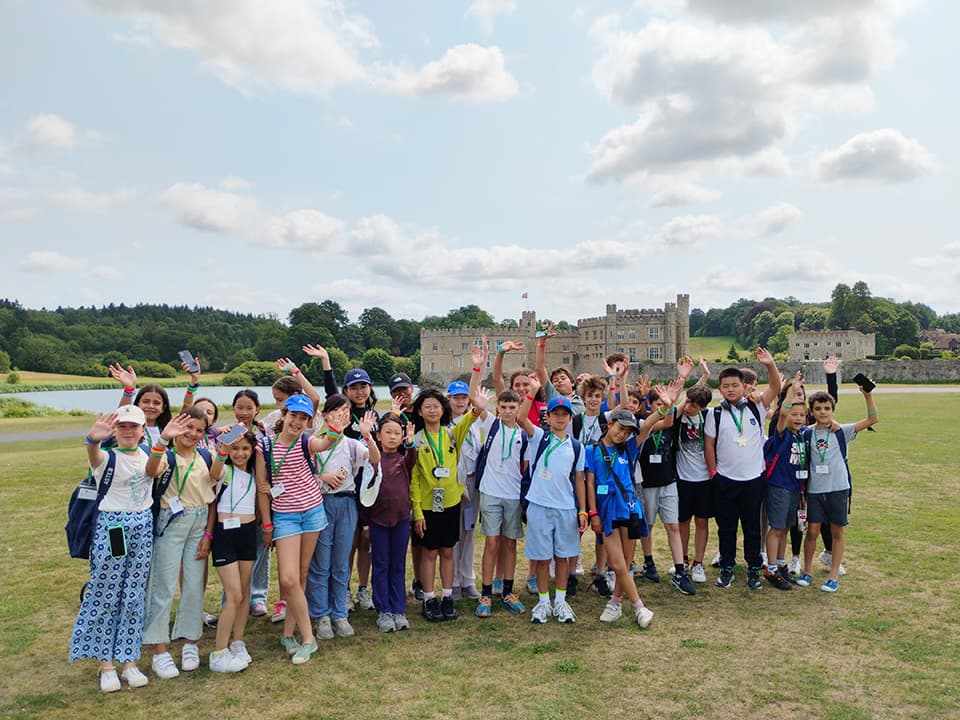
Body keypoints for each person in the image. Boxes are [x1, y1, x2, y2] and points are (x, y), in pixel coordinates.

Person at [70, 407, 155, 692]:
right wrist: (92, 441)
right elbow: (95, 455)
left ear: (143, 430)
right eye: (123, 427)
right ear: (115, 431)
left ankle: (129, 661)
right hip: (114, 528)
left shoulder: (147, 454)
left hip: (142, 525)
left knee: (133, 593)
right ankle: (106, 664)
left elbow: (156, 470)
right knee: (107, 591)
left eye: (134, 427)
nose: (129, 431)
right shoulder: (107, 457)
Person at [255, 394, 342, 664]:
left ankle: (289, 633)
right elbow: (262, 488)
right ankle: (309, 638)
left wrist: (335, 428)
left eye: (304, 418)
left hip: (313, 513)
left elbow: (324, 442)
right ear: (283, 415)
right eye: (293, 416)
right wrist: (267, 524)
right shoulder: (265, 446)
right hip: (285, 517)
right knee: (288, 580)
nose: (297, 422)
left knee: (300, 577)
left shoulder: (306, 441)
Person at [142, 407, 215, 679]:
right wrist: (163, 439)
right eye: (188, 428)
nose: (193, 434)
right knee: (163, 585)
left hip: (199, 522)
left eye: (199, 430)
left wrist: (208, 534)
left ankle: (190, 642)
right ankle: (160, 650)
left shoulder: (205, 456)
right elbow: (151, 470)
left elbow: (213, 494)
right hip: (171, 524)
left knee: (194, 584)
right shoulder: (167, 456)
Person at [410, 365, 486, 622]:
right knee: (429, 552)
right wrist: (418, 512)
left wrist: (479, 404)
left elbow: (471, 416)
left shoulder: (452, 434)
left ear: (444, 409)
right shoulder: (417, 440)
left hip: (452, 502)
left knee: (447, 551)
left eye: (436, 405)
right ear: (420, 411)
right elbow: (415, 479)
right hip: (429, 506)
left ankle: (447, 596)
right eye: (427, 406)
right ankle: (429, 598)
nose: (432, 409)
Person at [703, 348, 782, 590]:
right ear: (720, 389)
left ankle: (753, 568)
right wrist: (714, 473)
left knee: (752, 527)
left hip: (753, 479)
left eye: (734, 385)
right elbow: (709, 444)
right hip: (725, 479)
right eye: (725, 385)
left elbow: (776, 389)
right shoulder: (714, 414)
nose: (730, 389)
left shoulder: (755, 407)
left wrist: (770, 365)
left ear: (743, 386)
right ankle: (727, 567)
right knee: (726, 527)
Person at [585, 404, 669, 627]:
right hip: (607, 510)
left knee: (626, 561)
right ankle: (639, 606)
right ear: (610, 423)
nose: (623, 434)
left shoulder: (629, 447)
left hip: (630, 508)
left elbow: (649, 424)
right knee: (616, 562)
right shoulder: (592, 451)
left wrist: (665, 407)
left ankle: (615, 603)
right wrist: (593, 513)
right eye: (620, 428)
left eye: (628, 432)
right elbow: (590, 483)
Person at [306, 395, 379, 641]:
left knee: (340, 563)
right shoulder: (314, 441)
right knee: (321, 562)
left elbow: (376, 459)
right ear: (325, 415)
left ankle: (339, 613)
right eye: (336, 411)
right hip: (320, 503)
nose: (342, 416)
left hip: (347, 503)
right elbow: (300, 474)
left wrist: (368, 436)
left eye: (346, 412)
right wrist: (321, 478)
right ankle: (321, 614)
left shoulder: (351, 444)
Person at [796, 386, 878, 592]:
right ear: (811, 412)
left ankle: (833, 576)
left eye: (826, 408)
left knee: (836, 531)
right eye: (818, 408)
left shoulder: (842, 431)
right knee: (812, 531)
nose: (822, 412)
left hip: (839, 488)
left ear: (833, 410)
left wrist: (867, 395)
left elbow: (872, 420)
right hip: (815, 490)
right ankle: (807, 571)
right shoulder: (807, 433)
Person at [516, 387, 587, 625]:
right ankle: (544, 601)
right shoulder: (539, 437)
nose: (559, 417)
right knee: (543, 558)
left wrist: (582, 509)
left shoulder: (577, 447)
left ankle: (561, 601)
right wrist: (532, 392)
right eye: (555, 413)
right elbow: (521, 418)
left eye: (564, 414)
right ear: (548, 417)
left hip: (566, 508)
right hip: (539, 506)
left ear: (570, 417)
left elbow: (579, 479)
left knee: (564, 557)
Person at [464, 388, 528, 619]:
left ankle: (508, 592)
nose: (508, 411)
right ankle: (486, 594)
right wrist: (477, 366)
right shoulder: (491, 423)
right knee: (491, 543)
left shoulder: (523, 434)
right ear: (498, 408)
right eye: (504, 407)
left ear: (518, 408)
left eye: (513, 407)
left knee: (510, 544)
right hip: (490, 492)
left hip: (513, 495)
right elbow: (474, 397)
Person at [208, 429, 259, 673]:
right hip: (225, 535)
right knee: (234, 594)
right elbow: (214, 473)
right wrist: (223, 449)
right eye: (235, 449)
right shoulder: (224, 471)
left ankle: (238, 642)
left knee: (244, 591)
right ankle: (219, 652)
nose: (240, 453)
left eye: (245, 449)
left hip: (247, 533)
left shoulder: (254, 475)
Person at [365, 410, 417, 632]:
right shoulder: (373, 459)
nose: (393, 437)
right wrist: (366, 435)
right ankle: (383, 610)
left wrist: (411, 443)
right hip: (378, 520)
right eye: (388, 432)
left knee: (398, 564)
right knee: (381, 565)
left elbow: (412, 459)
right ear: (379, 436)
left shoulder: (403, 461)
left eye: (397, 433)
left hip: (401, 519)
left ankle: (398, 608)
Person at [762, 376, 808, 591]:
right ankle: (771, 568)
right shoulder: (782, 434)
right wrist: (791, 392)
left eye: (801, 415)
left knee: (787, 528)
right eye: (794, 414)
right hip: (779, 486)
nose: (797, 418)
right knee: (777, 528)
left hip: (794, 488)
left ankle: (780, 564)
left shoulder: (801, 436)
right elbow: (782, 413)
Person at [674, 383, 714, 584]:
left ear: (703, 407)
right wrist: (684, 402)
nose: (690, 407)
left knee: (701, 521)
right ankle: (683, 560)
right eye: (689, 402)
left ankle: (699, 562)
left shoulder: (708, 417)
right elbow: (670, 415)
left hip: (704, 479)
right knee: (682, 522)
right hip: (682, 478)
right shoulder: (679, 415)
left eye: (695, 405)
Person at [448, 375, 482, 601]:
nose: (460, 402)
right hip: (452, 483)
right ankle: (453, 582)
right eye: (456, 398)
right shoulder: (444, 424)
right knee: (453, 535)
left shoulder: (476, 422)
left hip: (473, 480)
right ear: (448, 399)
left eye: (464, 398)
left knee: (469, 532)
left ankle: (468, 579)